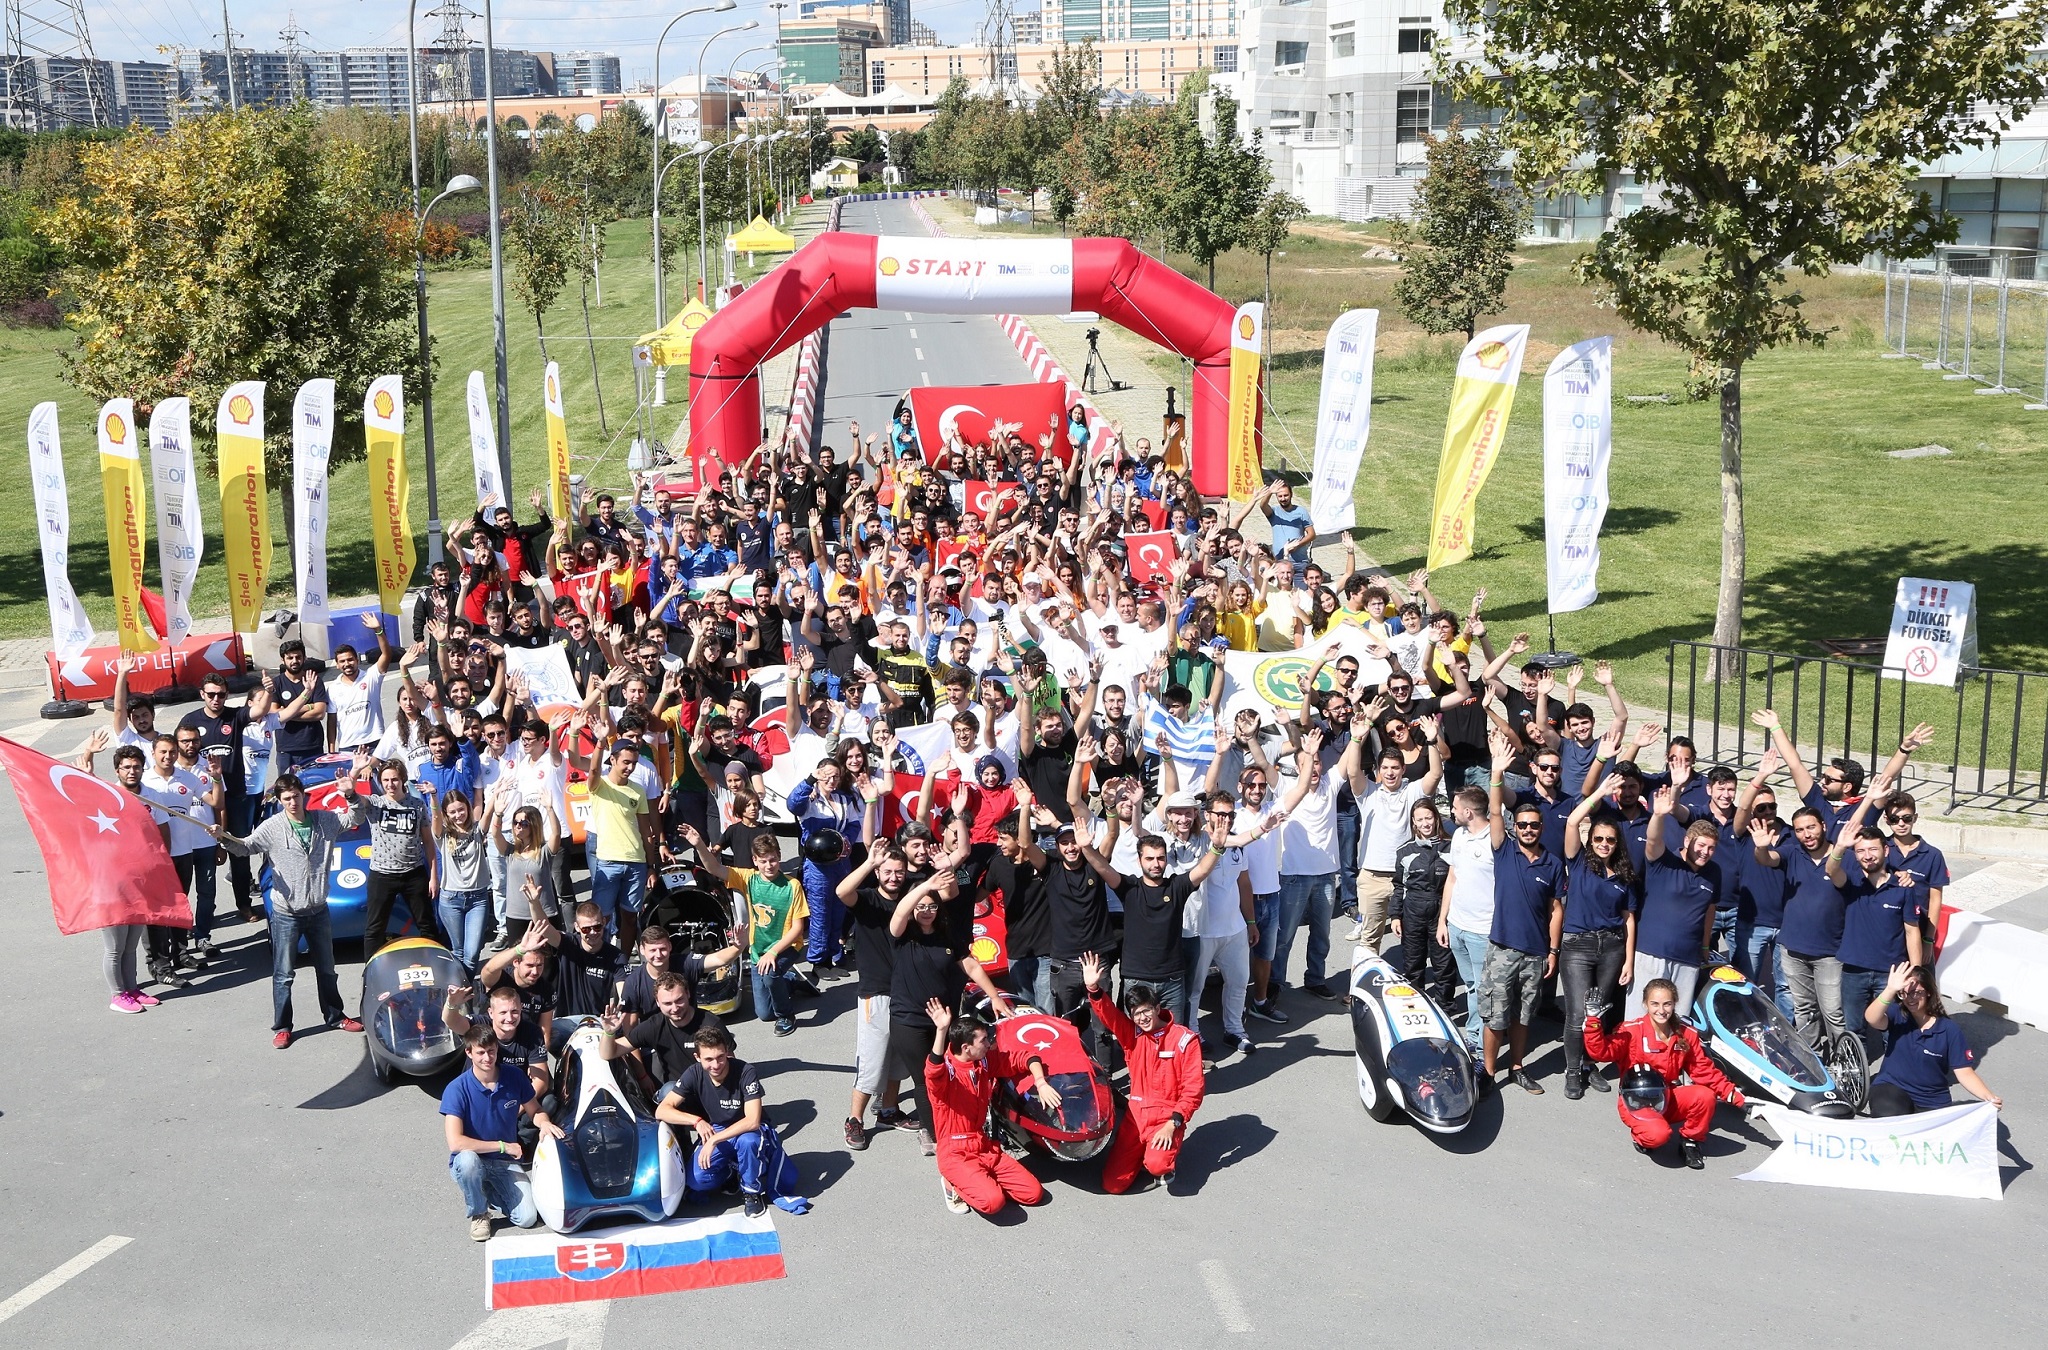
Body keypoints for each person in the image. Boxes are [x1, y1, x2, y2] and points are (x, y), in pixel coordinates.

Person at [211, 763, 368, 1048]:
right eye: (287, 799)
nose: (293, 802)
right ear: (281, 802)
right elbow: (245, 847)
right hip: (286, 914)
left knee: (327, 970)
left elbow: (355, 817)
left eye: (296, 796)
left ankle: (335, 1016)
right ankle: (283, 1027)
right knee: (284, 975)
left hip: (318, 910)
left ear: (303, 796)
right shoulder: (272, 827)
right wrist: (222, 838)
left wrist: (350, 794)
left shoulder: (325, 820)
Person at [1581, 978, 1747, 1170]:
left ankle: (1691, 1141)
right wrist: (1593, 1023)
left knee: (1705, 1095)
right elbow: (1601, 1052)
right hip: (1636, 1102)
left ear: (1675, 1003)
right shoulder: (1631, 1031)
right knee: (1658, 1136)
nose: (1661, 1010)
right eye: (1655, 1004)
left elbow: (1704, 1071)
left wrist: (1738, 1098)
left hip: (1668, 1096)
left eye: (1667, 1004)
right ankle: (1643, 1136)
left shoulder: (1686, 1034)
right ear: (1645, 1004)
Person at [1479, 733, 1565, 1094]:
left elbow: (1556, 909)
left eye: (1534, 825)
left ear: (1541, 828)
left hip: (1535, 952)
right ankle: (1487, 1072)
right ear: (1516, 828)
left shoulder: (1553, 863)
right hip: (1502, 948)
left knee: (1523, 1015)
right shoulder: (1504, 850)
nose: (1528, 829)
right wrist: (1497, 774)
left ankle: (1516, 1066)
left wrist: (1553, 951)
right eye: (1523, 825)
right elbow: (1495, 810)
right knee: (1495, 1015)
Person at [1081, 951, 1204, 1194]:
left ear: (1158, 1008)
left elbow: (1194, 1089)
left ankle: (1158, 1160)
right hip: (1135, 1118)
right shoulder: (1132, 1035)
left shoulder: (1184, 1040)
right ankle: (1139, 1154)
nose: (1143, 1017)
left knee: (1157, 1165)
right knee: (1113, 1185)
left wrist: (1173, 1124)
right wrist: (1093, 988)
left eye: (1147, 1010)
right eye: (1136, 1013)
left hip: (1166, 1117)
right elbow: (1110, 1016)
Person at [924, 999, 1059, 1216]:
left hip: (985, 1146)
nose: (989, 1044)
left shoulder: (983, 1061)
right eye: (984, 1041)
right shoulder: (945, 1075)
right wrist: (941, 1031)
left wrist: (1041, 1082)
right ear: (966, 1048)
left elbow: (1025, 1057)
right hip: (955, 1152)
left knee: (1033, 1194)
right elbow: (932, 1070)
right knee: (992, 1203)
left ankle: (980, 1179)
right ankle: (951, 1184)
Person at [653, 1025, 796, 1215]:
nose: (716, 1064)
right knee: (697, 1181)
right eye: (709, 1059)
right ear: (698, 1058)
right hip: (719, 1128)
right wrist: (696, 1121)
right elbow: (662, 1110)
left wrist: (714, 1139)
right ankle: (732, 1171)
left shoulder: (746, 1071)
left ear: (727, 1052)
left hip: (748, 1129)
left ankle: (751, 1191)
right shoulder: (694, 1073)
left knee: (749, 1142)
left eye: (720, 1057)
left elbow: (753, 1120)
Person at [441, 1027, 564, 1241]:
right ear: (469, 1053)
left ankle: (482, 1189)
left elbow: (535, 1109)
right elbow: (456, 1143)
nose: (487, 1057)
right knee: (468, 1162)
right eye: (480, 1052)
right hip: (474, 1158)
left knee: (527, 1218)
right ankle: (479, 1213)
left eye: (491, 1051)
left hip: (503, 1163)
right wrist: (503, 1146)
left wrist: (544, 1123)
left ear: (497, 1050)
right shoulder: (456, 1089)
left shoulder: (513, 1076)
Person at [1558, 789, 1637, 1099]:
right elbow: (1572, 822)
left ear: (1618, 844)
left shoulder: (1624, 875)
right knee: (1578, 1013)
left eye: (1611, 840)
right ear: (1590, 841)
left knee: (1598, 1014)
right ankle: (1573, 1071)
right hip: (1578, 946)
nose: (1605, 844)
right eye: (1599, 839)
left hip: (1613, 947)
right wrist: (1601, 794)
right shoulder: (1578, 863)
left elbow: (1628, 918)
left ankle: (1590, 1064)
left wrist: (1628, 960)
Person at [691, 828, 808, 1037]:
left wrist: (773, 953)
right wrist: (699, 844)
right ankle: (788, 981)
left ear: (779, 857)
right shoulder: (748, 879)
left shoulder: (793, 886)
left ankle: (786, 1015)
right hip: (758, 951)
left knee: (771, 975)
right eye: (763, 861)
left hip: (785, 948)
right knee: (764, 1013)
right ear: (755, 861)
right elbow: (714, 867)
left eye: (772, 860)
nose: (769, 865)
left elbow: (798, 928)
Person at [1864, 962, 2002, 1117]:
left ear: (1928, 992)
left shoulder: (1949, 1030)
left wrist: (1988, 1096)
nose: (1910, 999)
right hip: (1892, 1087)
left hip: (1932, 1098)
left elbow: (1964, 1072)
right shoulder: (1898, 1014)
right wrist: (1890, 990)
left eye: (1916, 992)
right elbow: (1872, 1018)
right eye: (1904, 993)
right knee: (1891, 1116)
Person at [1630, 786, 1720, 1019]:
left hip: (1688, 959)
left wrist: (1705, 945)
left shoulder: (1714, 872)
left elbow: (1709, 909)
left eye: (1711, 848)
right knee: (1640, 1020)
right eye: (1701, 845)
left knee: (1677, 1023)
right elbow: (1652, 839)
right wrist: (1659, 815)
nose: (1705, 852)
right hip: (1651, 954)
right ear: (1687, 840)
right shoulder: (1663, 860)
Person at [568, 710, 654, 948]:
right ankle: (599, 958)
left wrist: (651, 865)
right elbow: (591, 770)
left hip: (636, 862)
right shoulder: (599, 785)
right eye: (625, 762)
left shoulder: (638, 790)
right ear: (613, 759)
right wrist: (600, 741)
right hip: (608, 860)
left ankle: (623, 961)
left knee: (629, 917)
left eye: (634, 764)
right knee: (601, 918)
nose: (629, 768)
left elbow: (646, 832)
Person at [361, 757, 433, 961]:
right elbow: (355, 797)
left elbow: (428, 842)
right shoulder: (376, 803)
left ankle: (436, 967)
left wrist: (433, 877)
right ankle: (370, 973)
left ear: (402, 780)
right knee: (375, 929)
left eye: (394, 779)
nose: (390, 784)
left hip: (414, 873)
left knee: (427, 925)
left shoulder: (417, 805)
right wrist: (354, 774)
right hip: (382, 875)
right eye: (385, 780)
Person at [598, 975, 731, 1084]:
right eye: (667, 1003)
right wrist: (609, 1032)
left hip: (712, 1086)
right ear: (657, 1002)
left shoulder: (711, 1023)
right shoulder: (654, 1025)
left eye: (679, 1000)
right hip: (677, 1091)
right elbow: (609, 1053)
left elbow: (730, 1063)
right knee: (668, 1091)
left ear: (688, 994)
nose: (675, 1008)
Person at [1389, 798, 1454, 1008]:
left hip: (1442, 912)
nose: (1425, 823)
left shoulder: (1451, 847)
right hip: (1413, 911)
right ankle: (1415, 1006)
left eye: (1429, 817)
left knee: (1443, 964)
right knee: (1413, 963)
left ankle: (1445, 1006)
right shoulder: (1405, 851)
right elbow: (1399, 886)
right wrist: (1395, 916)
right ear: (1413, 823)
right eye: (1420, 820)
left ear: (1436, 818)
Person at [431, 788, 496, 975]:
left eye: (461, 809)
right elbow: (435, 818)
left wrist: (496, 792)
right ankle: (463, 996)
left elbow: (489, 811)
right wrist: (434, 797)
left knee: (473, 951)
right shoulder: (443, 834)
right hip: (451, 899)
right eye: (452, 812)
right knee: (458, 951)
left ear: (468, 808)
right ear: (446, 814)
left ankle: (463, 991)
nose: (458, 815)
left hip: (478, 899)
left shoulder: (477, 831)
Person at [269, 639, 329, 774]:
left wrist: (287, 713)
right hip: (286, 748)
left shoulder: (314, 680)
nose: (294, 661)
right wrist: (308, 707)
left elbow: (319, 713)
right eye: (290, 658)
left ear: (304, 658)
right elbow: (275, 715)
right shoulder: (276, 683)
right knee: (287, 790)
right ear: (282, 660)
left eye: (298, 657)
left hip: (312, 745)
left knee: (314, 788)